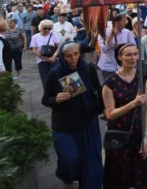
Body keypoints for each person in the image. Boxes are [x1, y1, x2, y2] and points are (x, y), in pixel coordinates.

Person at [42, 42, 104, 188]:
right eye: (68, 56)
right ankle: (68, 178)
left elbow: (98, 90)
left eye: (76, 54)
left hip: (88, 122)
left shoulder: (88, 68)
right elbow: (45, 99)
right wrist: (55, 99)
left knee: (92, 162)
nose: (73, 58)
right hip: (65, 125)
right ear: (62, 57)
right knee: (70, 159)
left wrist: (104, 109)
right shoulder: (55, 73)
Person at [102, 44, 147, 188]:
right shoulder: (110, 83)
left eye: (135, 54)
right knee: (121, 179)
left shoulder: (144, 75)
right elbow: (110, 114)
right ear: (120, 57)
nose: (133, 57)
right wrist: (132, 104)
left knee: (142, 178)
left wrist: (146, 136)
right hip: (121, 134)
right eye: (128, 55)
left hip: (140, 132)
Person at [98, 14, 136, 82]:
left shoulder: (127, 32)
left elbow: (133, 46)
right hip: (108, 67)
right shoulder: (104, 32)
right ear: (116, 22)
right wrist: (111, 36)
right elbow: (104, 49)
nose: (125, 23)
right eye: (123, 21)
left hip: (123, 66)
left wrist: (121, 47)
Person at [30, 20, 60, 89]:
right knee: (45, 80)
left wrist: (54, 56)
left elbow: (59, 46)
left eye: (49, 28)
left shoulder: (53, 35)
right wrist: (46, 58)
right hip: (42, 62)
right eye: (45, 28)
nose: (47, 30)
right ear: (41, 27)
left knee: (56, 78)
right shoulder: (35, 37)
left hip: (54, 60)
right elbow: (34, 50)